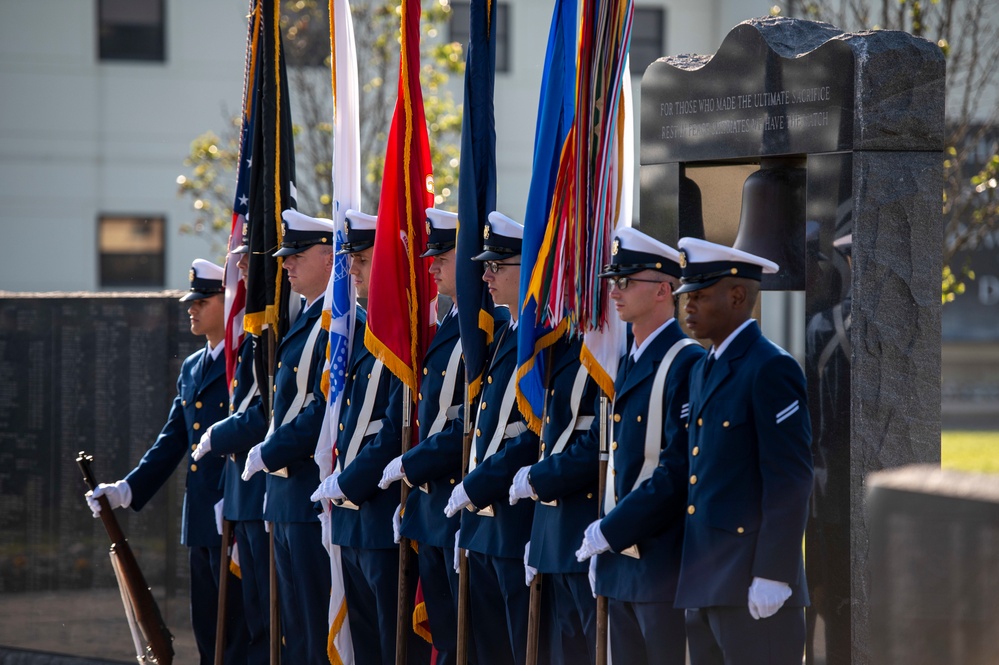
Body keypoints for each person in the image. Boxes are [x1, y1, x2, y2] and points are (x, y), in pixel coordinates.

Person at [85, 258, 249, 665]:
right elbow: (174, 437)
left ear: (228, 301)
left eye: (202, 300)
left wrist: (239, 495)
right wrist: (127, 489)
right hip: (200, 517)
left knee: (240, 631)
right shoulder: (194, 367)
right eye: (190, 301)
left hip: (235, 514)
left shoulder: (244, 360)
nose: (191, 307)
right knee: (208, 629)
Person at [673, 236, 813, 665]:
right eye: (685, 296)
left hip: (754, 587)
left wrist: (773, 573)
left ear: (737, 296)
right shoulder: (702, 368)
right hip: (705, 583)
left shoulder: (770, 367)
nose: (688, 306)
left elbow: (789, 478)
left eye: (699, 295)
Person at [573, 227, 705, 665]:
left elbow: (674, 471)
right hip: (621, 563)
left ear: (664, 290)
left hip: (659, 563)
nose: (615, 291)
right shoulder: (628, 360)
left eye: (627, 281)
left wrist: (610, 531)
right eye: (613, 280)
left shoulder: (685, 360)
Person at [310, 209, 428, 665]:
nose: (352, 269)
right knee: (367, 647)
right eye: (351, 259)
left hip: (383, 518)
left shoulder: (402, 330)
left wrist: (347, 482)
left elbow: (399, 427)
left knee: (392, 644)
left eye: (362, 258)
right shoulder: (358, 330)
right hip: (353, 520)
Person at [238, 209, 334, 665]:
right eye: (286, 256)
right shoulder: (306, 319)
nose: (287, 264)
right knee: (295, 630)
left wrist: (269, 451)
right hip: (284, 493)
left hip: (306, 492)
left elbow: (322, 409)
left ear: (330, 257)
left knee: (315, 630)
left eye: (297, 255)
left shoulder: (337, 322)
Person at [444, 211, 539, 665]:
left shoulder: (542, 342)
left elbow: (534, 436)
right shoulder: (507, 333)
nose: (485, 276)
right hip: (483, 527)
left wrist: (476, 485)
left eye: (498, 267)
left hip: (513, 525)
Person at [378, 208, 465, 664]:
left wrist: (412, 464)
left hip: (454, 501)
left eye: (441, 257)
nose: (429, 267)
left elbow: (467, 423)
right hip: (431, 508)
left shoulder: (482, 327)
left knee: (465, 643)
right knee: (447, 641)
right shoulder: (450, 323)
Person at [192, 219, 270, 665]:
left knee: (258, 631)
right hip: (222, 506)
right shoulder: (205, 361)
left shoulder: (260, 339)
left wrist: (218, 437)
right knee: (223, 629)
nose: (239, 274)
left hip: (256, 499)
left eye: (245, 264)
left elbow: (260, 416)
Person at [507, 333, 600, 663]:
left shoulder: (609, 340)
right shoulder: (560, 342)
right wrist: (541, 533)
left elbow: (597, 444)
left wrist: (537, 479)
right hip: (557, 535)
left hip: (588, 527)